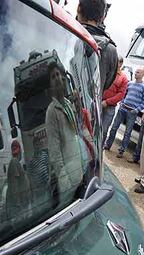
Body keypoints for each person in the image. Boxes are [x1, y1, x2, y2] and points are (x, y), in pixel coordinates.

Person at [45, 62, 84, 207]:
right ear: (50, 85)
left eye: (58, 75)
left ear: (63, 78)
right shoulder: (52, 111)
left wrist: (78, 106)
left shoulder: (67, 104)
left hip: (78, 171)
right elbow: (54, 152)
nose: (57, 78)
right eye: (53, 77)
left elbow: (76, 131)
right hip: (67, 180)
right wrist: (65, 182)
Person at [104, 67, 144, 158]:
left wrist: (136, 110)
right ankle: (108, 145)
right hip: (122, 109)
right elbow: (123, 94)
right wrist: (121, 103)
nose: (136, 73)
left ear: (142, 74)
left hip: (132, 112)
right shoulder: (129, 84)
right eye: (136, 72)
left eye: (138, 72)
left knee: (127, 132)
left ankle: (121, 150)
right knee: (114, 128)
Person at [76, 0, 118, 94]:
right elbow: (106, 84)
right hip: (90, 106)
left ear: (78, 8)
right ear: (103, 17)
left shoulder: (66, 34)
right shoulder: (111, 50)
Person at [102, 55, 128, 144]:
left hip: (109, 107)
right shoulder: (106, 72)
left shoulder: (123, 78)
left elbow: (120, 95)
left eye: (117, 62)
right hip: (98, 103)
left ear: (120, 64)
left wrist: (107, 102)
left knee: (104, 130)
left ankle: (99, 149)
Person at [5, 140, 32, 222]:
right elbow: (14, 185)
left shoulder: (16, 162)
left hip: (22, 203)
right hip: (20, 206)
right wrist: (17, 204)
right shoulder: (14, 162)